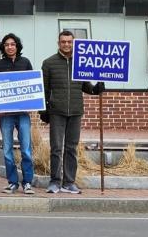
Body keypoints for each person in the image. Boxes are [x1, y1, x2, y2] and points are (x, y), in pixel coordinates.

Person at [42, 30, 104, 194]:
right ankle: (55, 181)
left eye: (69, 42)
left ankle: (69, 182)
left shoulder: (82, 62)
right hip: (57, 111)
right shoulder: (49, 63)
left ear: (73, 43)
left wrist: (97, 89)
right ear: (58, 43)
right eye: (63, 42)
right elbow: (44, 90)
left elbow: (87, 87)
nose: (67, 44)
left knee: (71, 148)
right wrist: (45, 110)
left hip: (76, 111)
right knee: (56, 147)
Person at [0, 33, 35, 195]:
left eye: (12, 44)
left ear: (17, 46)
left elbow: (31, 84)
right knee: (7, 149)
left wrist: (32, 102)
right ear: (3, 47)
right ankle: (12, 182)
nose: (10, 47)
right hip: (6, 114)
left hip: (23, 113)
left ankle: (28, 182)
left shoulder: (25, 62)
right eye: (7, 44)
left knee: (26, 149)